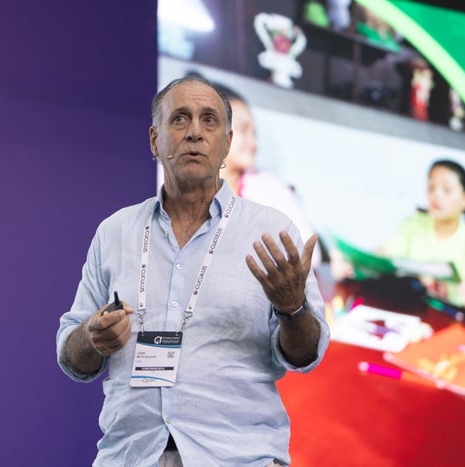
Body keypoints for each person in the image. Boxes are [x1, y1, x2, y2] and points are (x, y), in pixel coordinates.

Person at [56, 74, 330, 466]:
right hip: (132, 456)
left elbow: (305, 356)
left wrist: (292, 308)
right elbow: (72, 359)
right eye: (180, 119)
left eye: (209, 120)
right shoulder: (115, 232)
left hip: (238, 458)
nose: (195, 133)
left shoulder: (271, 230)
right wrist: (91, 336)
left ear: (227, 143)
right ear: (155, 140)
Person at [330, 159, 465, 313]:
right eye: (431, 187)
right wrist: (351, 263)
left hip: (454, 320)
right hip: (409, 312)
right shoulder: (414, 225)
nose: (436, 194)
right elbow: (383, 255)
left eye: (446, 190)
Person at [212, 79, 322, 269]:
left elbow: (310, 254)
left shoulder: (268, 187)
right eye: (243, 130)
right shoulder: (169, 183)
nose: (253, 143)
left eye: (254, 133)